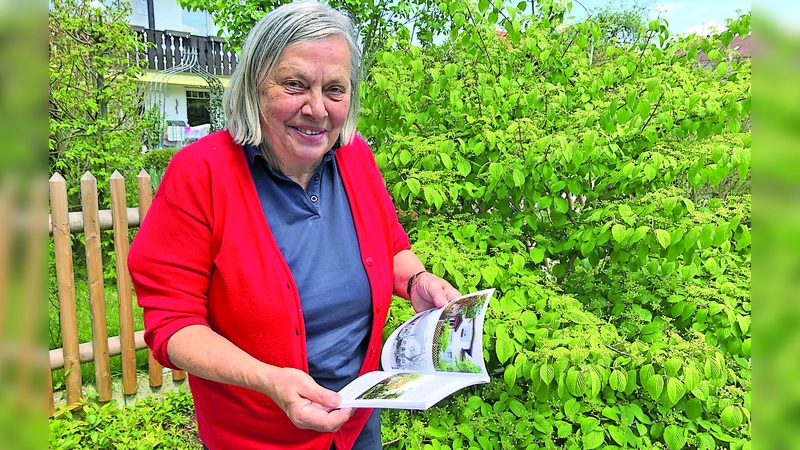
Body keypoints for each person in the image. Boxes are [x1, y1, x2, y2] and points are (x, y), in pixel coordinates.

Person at [127, 2, 461, 449]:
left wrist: (416, 280)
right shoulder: (201, 173)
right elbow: (173, 325)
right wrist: (269, 381)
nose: (317, 108)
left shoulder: (354, 157)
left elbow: (392, 247)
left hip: (356, 420)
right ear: (254, 86)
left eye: (335, 90)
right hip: (254, 435)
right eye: (294, 84)